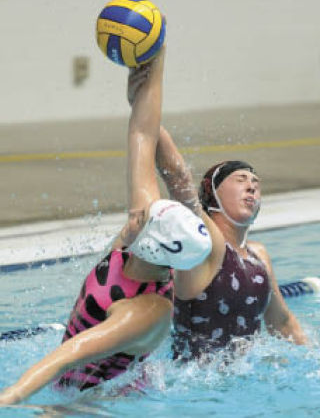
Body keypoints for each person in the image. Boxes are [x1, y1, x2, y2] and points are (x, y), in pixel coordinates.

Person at [0, 48, 212, 404]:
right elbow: (143, 135)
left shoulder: (146, 311)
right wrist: (154, 59)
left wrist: (6, 400)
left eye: (141, 219)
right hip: (71, 380)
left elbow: (63, 358)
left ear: (151, 245)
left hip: (103, 401)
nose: (134, 215)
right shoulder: (144, 239)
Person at [154, 126, 308, 359]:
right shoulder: (202, 244)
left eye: (256, 183)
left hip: (246, 380)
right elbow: (177, 179)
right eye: (241, 179)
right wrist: (148, 116)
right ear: (212, 191)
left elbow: (283, 323)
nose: (252, 186)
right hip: (197, 386)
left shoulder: (258, 255)